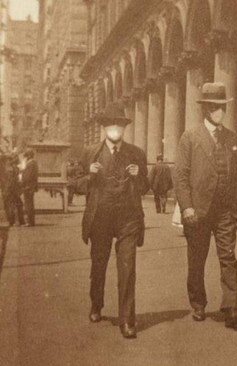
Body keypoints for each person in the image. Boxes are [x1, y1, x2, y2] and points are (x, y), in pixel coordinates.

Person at [174, 82, 237, 330]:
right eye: (215, 108)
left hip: (225, 210)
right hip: (199, 211)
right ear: (206, 110)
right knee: (197, 259)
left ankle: (231, 307)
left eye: (222, 107)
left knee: (228, 257)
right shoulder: (190, 137)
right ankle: (198, 303)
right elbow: (181, 176)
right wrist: (187, 207)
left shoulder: (231, 138)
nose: (220, 112)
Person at [81, 102, 149, 339]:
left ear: (124, 128)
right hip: (100, 218)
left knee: (127, 268)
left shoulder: (137, 154)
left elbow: (144, 188)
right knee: (99, 265)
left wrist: (138, 176)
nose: (115, 128)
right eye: (111, 124)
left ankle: (127, 320)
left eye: (119, 124)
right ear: (104, 127)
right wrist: (89, 174)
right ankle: (96, 303)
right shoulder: (91, 152)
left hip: (128, 218)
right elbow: (77, 185)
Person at [1, 154, 25, 226]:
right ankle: (19, 221)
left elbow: (12, 180)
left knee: (10, 205)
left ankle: (12, 221)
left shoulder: (7, 169)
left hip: (9, 189)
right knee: (15, 205)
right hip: (12, 189)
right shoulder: (13, 168)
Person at [20, 149, 38, 227]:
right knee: (29, 204)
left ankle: (30, 222)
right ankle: (31, 221)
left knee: (28, 204)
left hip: (28, 186)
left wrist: (21, 179)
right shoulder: (32, 163)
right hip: (30, 186)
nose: (25, 158)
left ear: (29, 156)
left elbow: (28, 177)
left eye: (26, 156)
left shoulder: (31, 164)